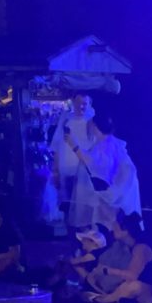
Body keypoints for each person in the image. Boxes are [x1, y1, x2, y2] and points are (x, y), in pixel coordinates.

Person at [63, 115, 141, 229]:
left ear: (95, 126)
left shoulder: (107, 145)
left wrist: (73, 145)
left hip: (114, 196)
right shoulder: (109, 143)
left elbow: (91, 163)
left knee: (109, 225)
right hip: (112, 194)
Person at [88, 212, 152, 303]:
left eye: (116, 227)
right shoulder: (125, 247)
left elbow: (132, 275)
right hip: (133, 288)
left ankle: (103, 300)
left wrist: (107, 270)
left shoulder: (141, 248)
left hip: (150, 292)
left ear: (125, 231)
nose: (113, 229)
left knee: (133, 286)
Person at [52, 94, 96, 230]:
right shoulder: (66, 119)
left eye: (84, 103)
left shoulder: (92, 121)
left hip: (85, 174)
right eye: (78, 103)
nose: (81, 106)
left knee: (83, 210)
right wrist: (55, 171)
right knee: (67, 207)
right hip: (67, 171)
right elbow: (56, 145)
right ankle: (70, 235)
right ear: (72, 102)